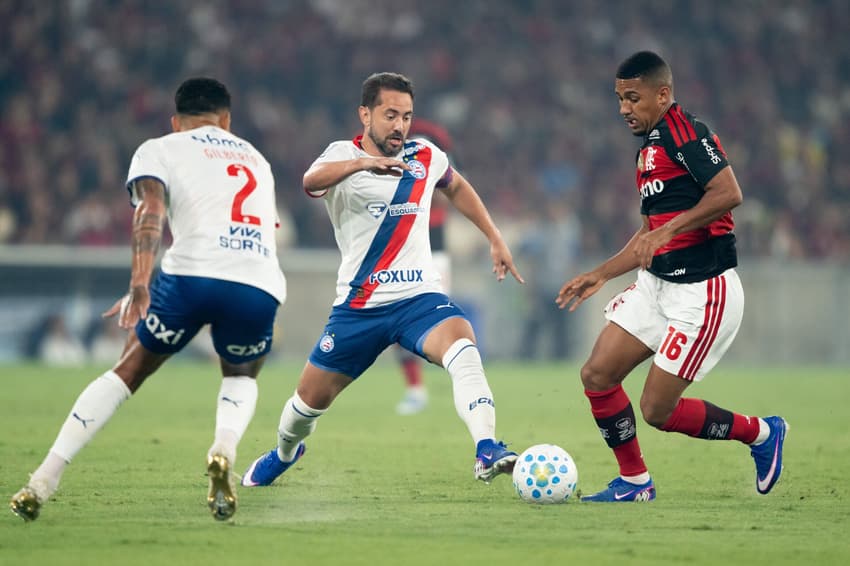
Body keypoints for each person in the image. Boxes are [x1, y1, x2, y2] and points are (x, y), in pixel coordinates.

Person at [10, 78, 287, 522]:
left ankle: (44, 479)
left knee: (127, 373)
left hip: (191, 275)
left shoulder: (161, 147)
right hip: (258, 282)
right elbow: (267, 232)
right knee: (241, 375)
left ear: (176, 121)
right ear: (227, 121)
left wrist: (140, 283)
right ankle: (224, 450)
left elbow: (151, 210)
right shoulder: (257, 158)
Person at [240, 72, 524, 489]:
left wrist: (494, 236)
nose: (400, 126)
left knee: (462, 344)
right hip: (359, 307)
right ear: (365, 114)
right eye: (390, 115)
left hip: (418, 298)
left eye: (407, 116)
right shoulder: (339, 155)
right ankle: (285, 453)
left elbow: (456, 185)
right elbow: (309, 182)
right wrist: (363, 164)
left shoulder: (425, 156)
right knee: (305, 406)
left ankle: (487, 449)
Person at [555, 51, 788, 502]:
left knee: (656, 410)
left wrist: (668, 231)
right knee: (597, 374)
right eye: (619, 98)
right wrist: (600, 274)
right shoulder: (649, 146)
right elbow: (648, 233)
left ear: (663, 94)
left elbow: (728, 193)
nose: (624, 107)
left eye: (633, 97)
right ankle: (635, 483)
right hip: (657, 286)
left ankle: (761, 433)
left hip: (703, 292)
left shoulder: (686, 132)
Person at [393, 118, 455, 415]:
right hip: (405, 254)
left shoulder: (440, 168)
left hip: (436, 253)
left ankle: (460, 375)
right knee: (398, 323)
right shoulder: (395, 169)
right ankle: (415, 389)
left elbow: (445, 200)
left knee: (438, 319)